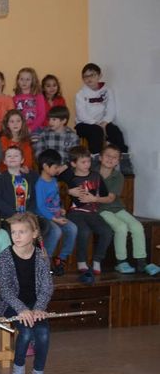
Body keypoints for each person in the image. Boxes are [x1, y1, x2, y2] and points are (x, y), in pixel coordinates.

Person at [0, 213, 54, 374]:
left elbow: (47, 286)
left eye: (22, 232)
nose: (17, 236)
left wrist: (39, 308)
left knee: (43, 333)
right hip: (12, 304)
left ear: (34, 234)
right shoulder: (6, 256)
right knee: (26, 333)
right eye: (13, 232)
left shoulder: (41, 256)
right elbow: (4, 289)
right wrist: (22, 309)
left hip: (35, 306)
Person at [98, 145, 160, 275]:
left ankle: (142, 262)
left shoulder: (118, 176)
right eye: (108, 156)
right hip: (101, 209)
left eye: (114, 157)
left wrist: (93, 198)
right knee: (121, 227)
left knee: (137, 226)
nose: (110, 159)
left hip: (117, 208)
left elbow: (111, 198)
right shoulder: (92, 174)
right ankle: (121, 262)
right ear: (100, 157)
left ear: (118, 161)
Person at [60, 146, 115, 284]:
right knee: (84, 231)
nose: (87, 165)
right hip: (75, 212)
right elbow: (55, 181)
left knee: (107, 231)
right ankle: (81, 261)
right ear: (73, 164)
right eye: (83, 162)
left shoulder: (96, 176)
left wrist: (94, 198)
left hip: (92, 212)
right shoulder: (69, 176)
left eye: (88, 161)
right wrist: (68, 191)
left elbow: (105, 195)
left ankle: (97, 260)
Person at [35, 149, 77, 276]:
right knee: (56, 231)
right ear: (45, 167)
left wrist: (61, 208)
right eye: (55, 167)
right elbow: (41, 206)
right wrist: (54, 219)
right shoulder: (40, 184)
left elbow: (56, 199)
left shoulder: (54, 181)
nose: (58, 170)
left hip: (56, 215)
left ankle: (61, 259)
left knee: (73, 228)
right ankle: (44, 261)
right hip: (43, 216)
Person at [74, 62, 129, 155]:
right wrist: (97, 124)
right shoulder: (80, 94)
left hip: (103, 122)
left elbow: (111, 109)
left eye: (92, 75)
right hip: (84, 124)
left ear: (99, 75)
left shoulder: (107, 90)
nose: (89, 78)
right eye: (85, 76)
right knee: (96, 131)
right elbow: (81, 115)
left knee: (115, 131)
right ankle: (95, 157)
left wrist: (105, 122)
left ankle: (123, 157)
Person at [13, 67, 47, 131]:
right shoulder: (15, 98)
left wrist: (31, 128)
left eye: (28, 79)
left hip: (36, 128)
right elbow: (13, 116)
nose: (24, 82)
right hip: (20, 129)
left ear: (33, 81)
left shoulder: (38, 96)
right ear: (18, 81)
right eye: (21, 79)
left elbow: (42, 115)